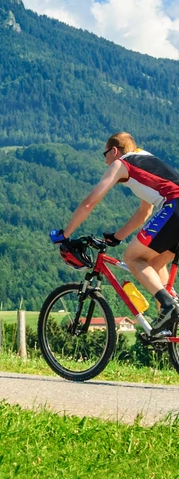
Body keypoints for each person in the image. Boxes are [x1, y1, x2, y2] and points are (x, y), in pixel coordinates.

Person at [51, 131, 179, 333]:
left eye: (105, 156)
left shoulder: (121, 164)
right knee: (153, 267)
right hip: (174, 210)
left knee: (132, 257)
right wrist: (118, 236)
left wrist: (65, 234)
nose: (105, 162)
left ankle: (169, 307)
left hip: (175, 207)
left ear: (114, 151)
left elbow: (89, 203)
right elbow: (144, 211)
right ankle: (168, 333)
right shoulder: (144, 158)